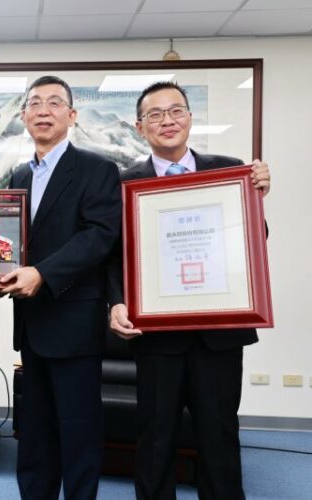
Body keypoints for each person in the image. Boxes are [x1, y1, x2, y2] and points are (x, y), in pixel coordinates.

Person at [108, 81, 271, 500]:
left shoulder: (229, 170)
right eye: (155, 114)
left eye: (175, 110)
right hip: (156, 334)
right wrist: (116, 302)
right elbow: (113, 255)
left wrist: (256, 199)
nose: (167, 121)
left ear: (190, 117)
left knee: (219, 436)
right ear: (140, 126)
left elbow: (253, 240)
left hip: (219, 333)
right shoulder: (123, 183)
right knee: (155, 437)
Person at [0, 75, 122, 499]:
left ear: (71, 115)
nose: (43, 110)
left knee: (79, 433)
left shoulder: (97, 170)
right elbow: (11, 244)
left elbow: (100, 236)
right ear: (23, 116)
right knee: (34, 433)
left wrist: (43, 274)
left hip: (74, 322)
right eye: (35, 103)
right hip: (31, 324)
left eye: (54, 103)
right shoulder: (19, 175)